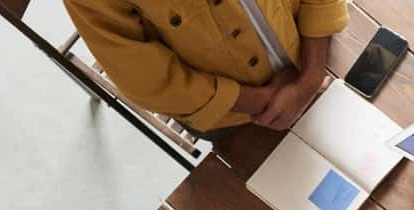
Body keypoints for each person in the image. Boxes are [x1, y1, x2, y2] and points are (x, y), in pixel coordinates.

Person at [62, 0, 348, 134]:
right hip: (235, 117)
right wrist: (262, 103)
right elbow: (142, 76)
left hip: (317, 49)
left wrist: (310, 76)